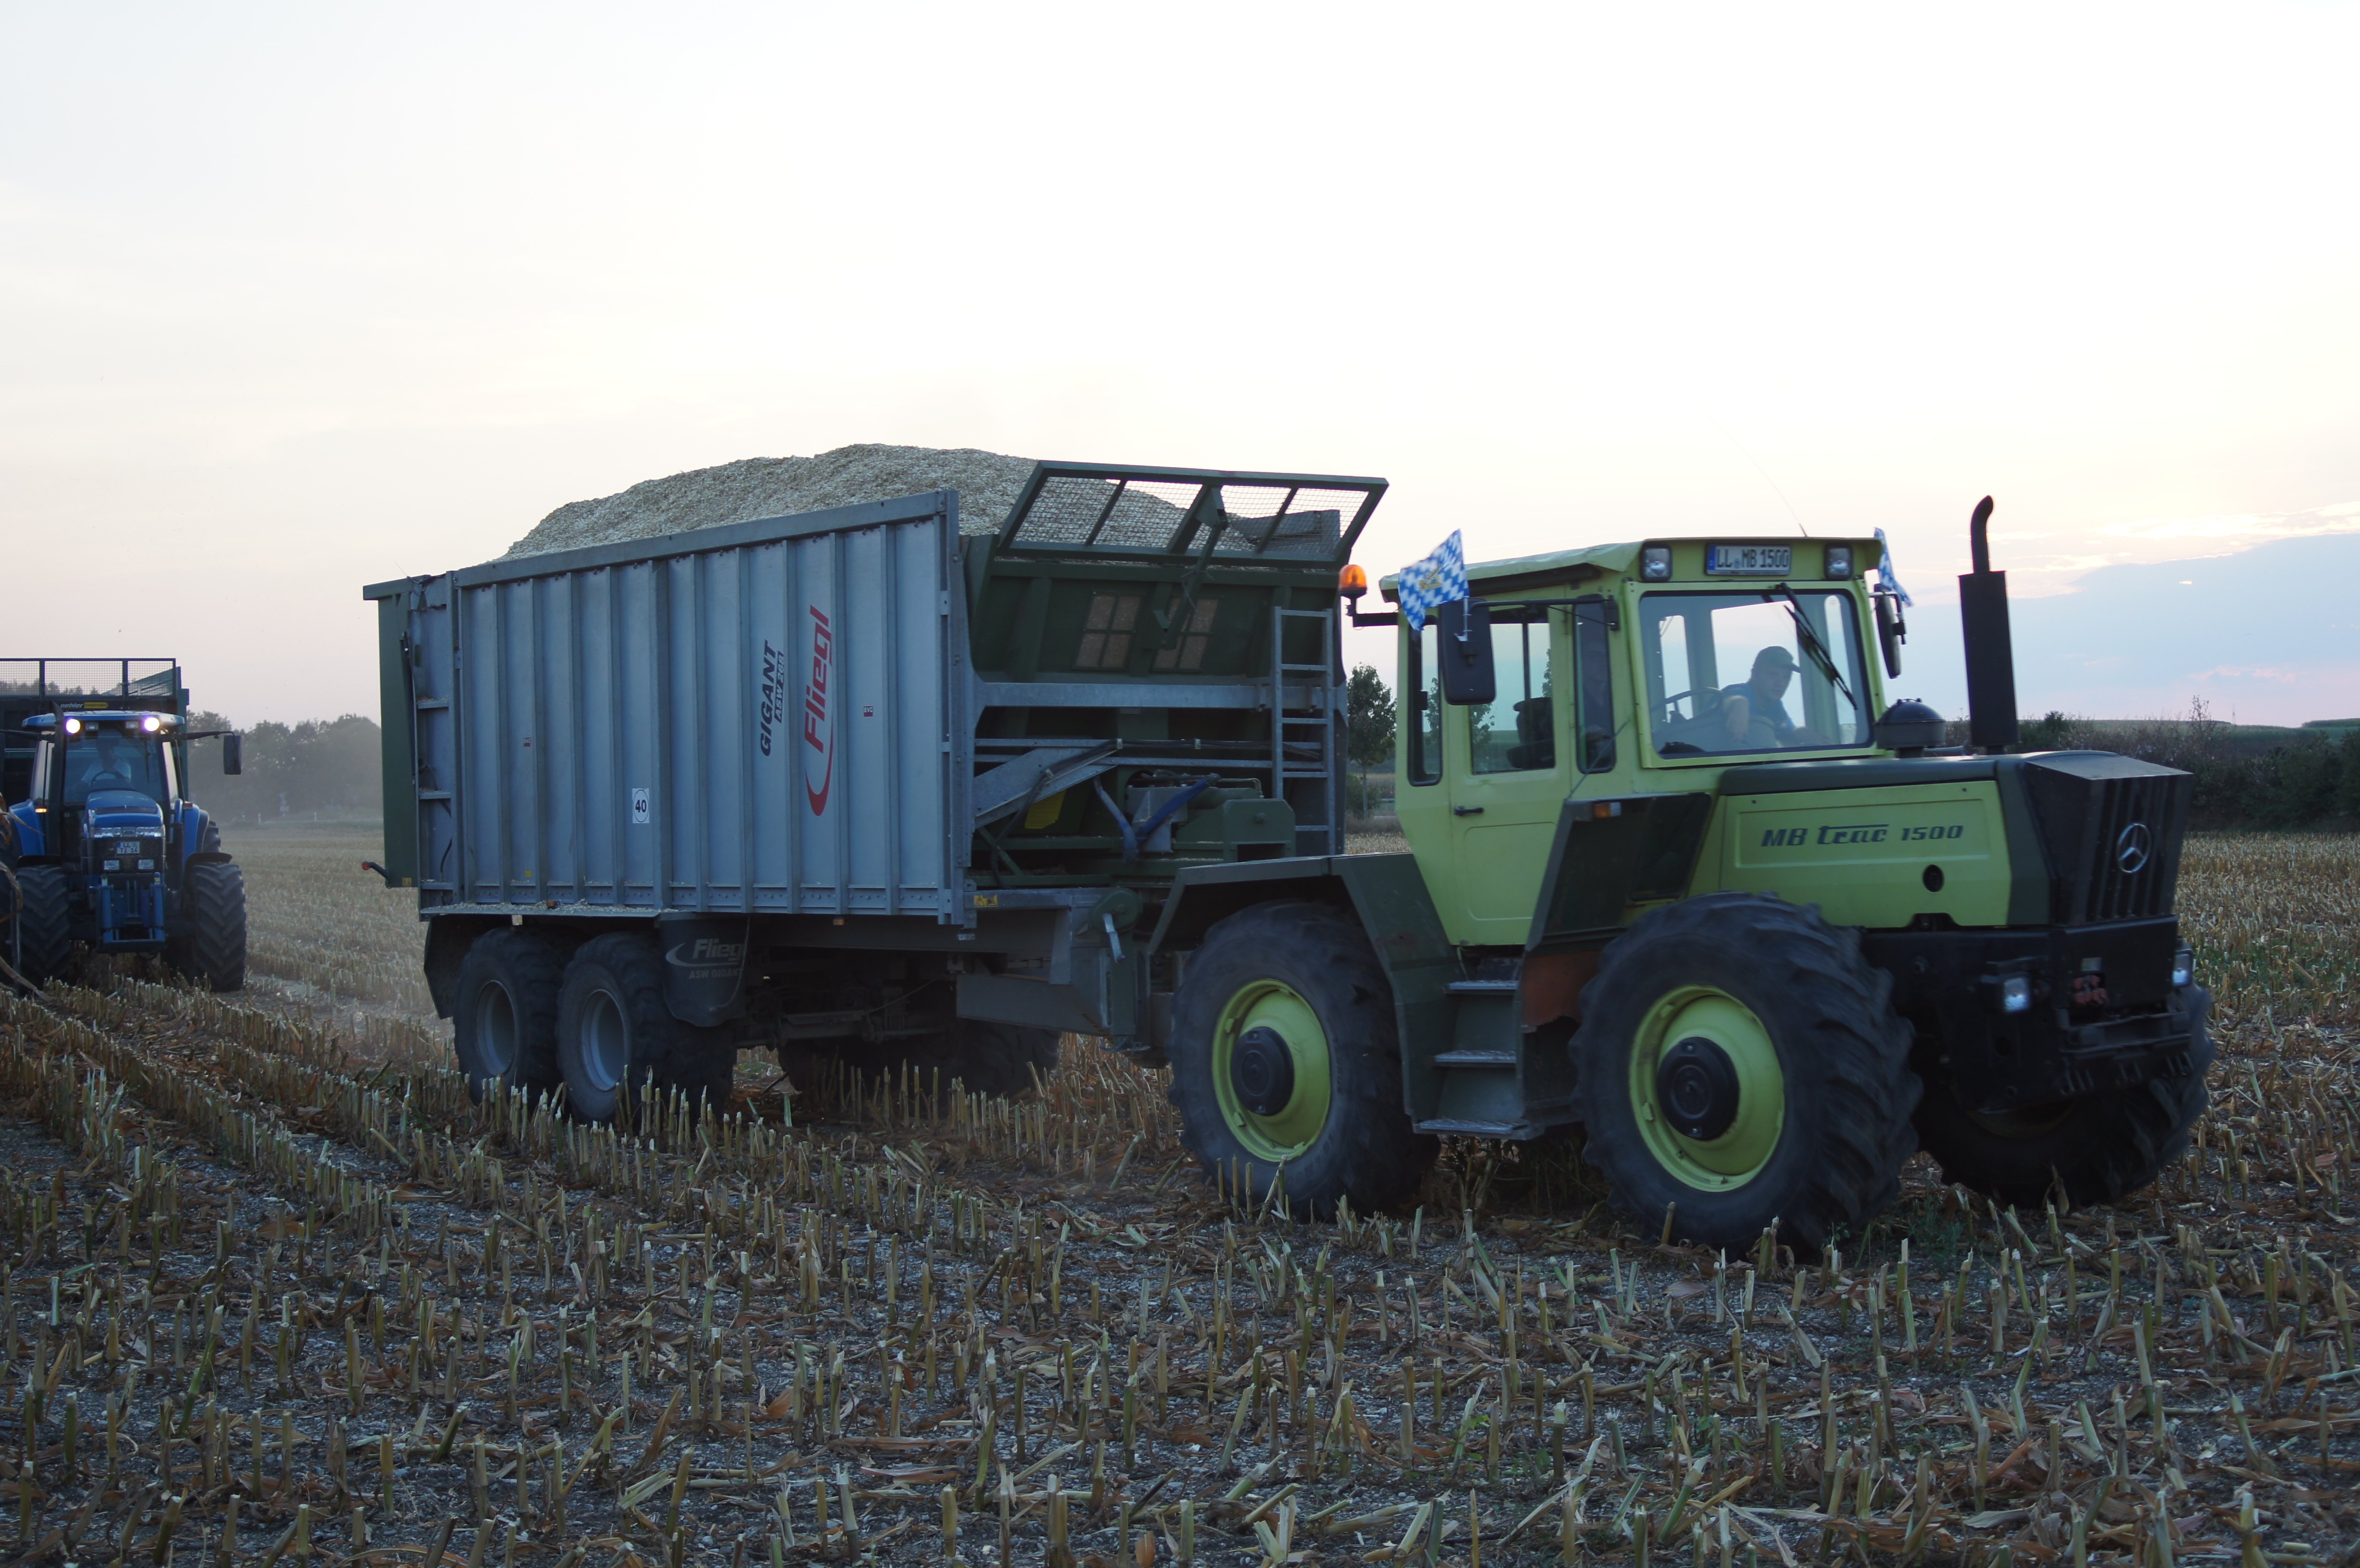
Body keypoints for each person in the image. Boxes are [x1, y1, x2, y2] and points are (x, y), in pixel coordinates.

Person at [1718, 646, 1799, 749]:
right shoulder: (1739, 692)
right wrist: (1739, 705)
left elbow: (1789, 734)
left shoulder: (1775, 707)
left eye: (1786, 677)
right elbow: (1732, 700)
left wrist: (1802, 733)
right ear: (1755, 674)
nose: (1781, 684)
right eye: (1773, 675)